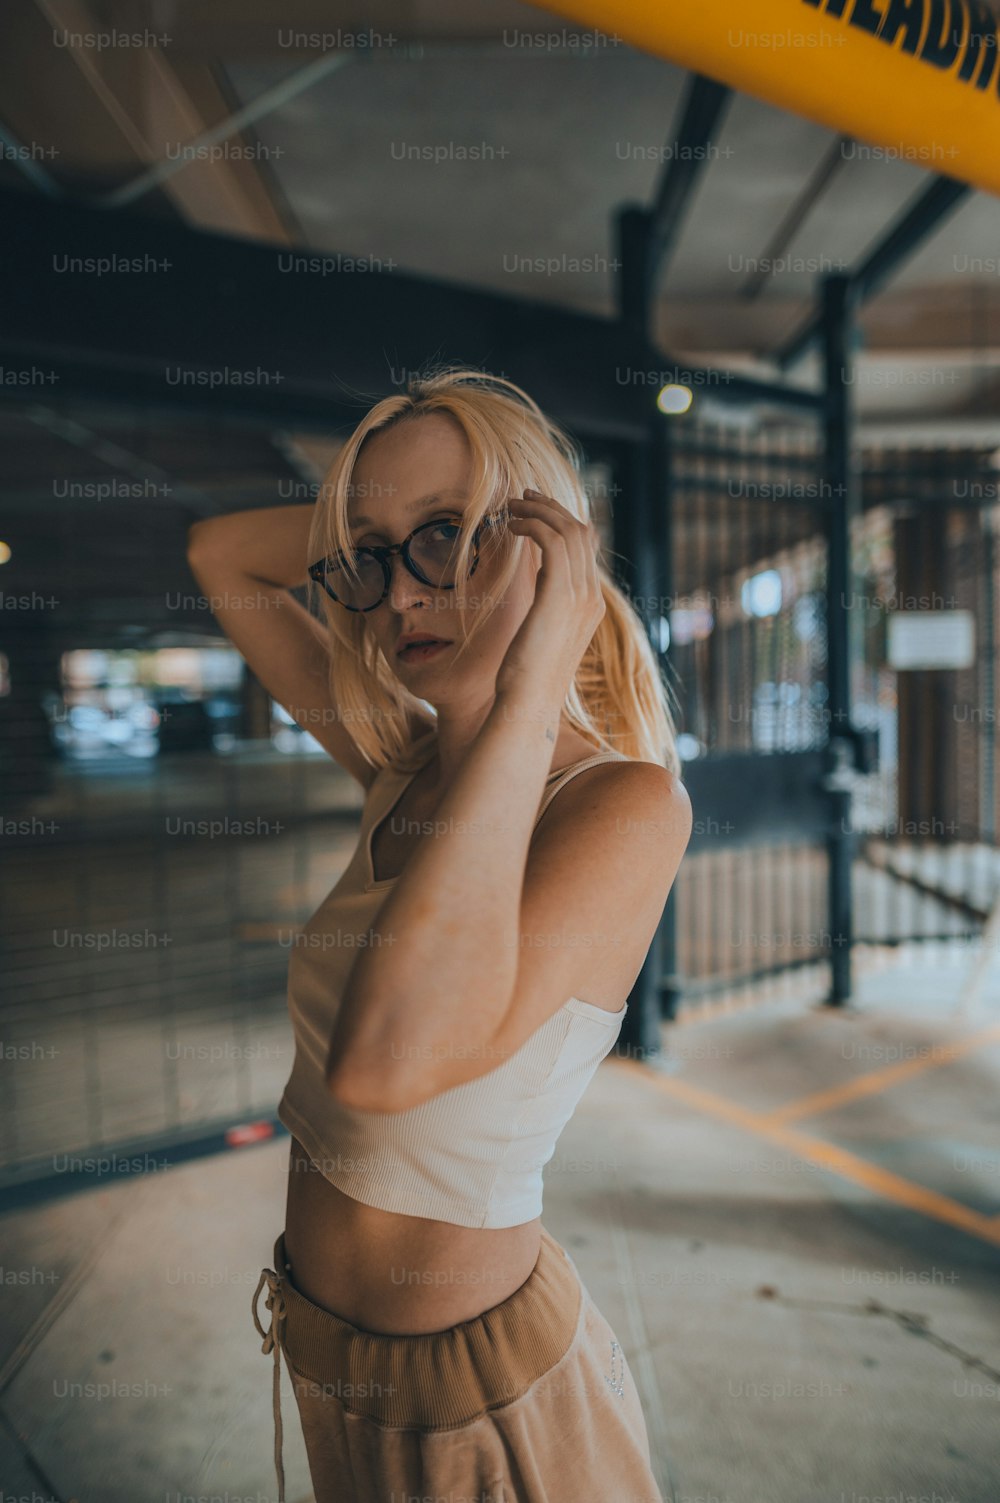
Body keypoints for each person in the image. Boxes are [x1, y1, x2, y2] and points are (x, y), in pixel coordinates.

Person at [187, 366, 692, 1502]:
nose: (399, 592)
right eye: (371, 553)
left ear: (545, 545)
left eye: (449, 535)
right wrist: (373, 511)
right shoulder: (406, 771)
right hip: (328, 1357)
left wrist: (529, 679)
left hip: (477, 1402)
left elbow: (385, 1066)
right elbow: (223, 552)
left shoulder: (618, 805)